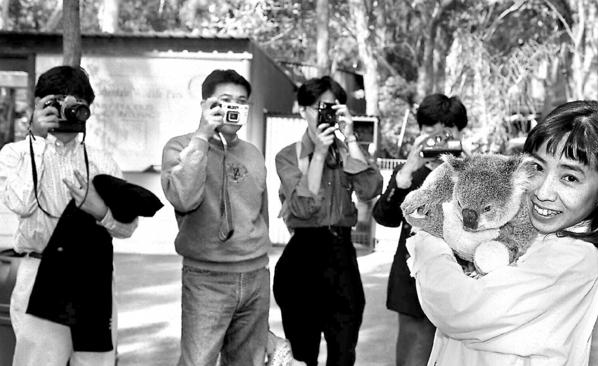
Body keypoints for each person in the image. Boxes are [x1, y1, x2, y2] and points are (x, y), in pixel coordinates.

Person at [406, 100, 598, 365]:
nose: (543, 192)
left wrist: (428, 237)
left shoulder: (573, 258)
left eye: (570, 178)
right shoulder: (525, 228)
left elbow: (457, 308)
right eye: (538, 168)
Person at [0, 65, 138, 366]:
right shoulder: (16, 154)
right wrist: (37, 140)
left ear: (88, 108)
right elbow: (22, 204)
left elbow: (128, 228)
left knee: (94, 362)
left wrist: (100, 211)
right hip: (38, 273)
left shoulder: (102, 161)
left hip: (93, 278)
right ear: (38, 106)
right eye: (55, 102)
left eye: (75, 103)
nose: (65, 110)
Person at [161, 69, 271, 366]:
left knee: (248, 362)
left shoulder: (253, 153)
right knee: (198, 362)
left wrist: (263, 259)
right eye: (224, 100)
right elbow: (184, 198)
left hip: (256, 277)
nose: (234, 106)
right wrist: (201, 136)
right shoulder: (180, 147)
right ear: (205, 105)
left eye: (241, 100)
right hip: (206, 278)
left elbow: (261, 214)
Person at [273, 76, 383, 366]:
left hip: (342, 256)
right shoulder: (289, 156)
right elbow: (301, 208)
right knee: (302, 354)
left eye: (332, 108)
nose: (326, 114)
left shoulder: (348, 151)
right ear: (302, 110)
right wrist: (319, 154)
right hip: (303, 259)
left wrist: (351, 139)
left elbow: (370, 189)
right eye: (319, 107)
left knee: (344, 352)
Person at [371, 93, 468, 366]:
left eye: (447, 132)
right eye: (429, 131)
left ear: (460, 133)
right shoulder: (408, 172)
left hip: (461, 288)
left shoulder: (470, 172)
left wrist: (468, 167)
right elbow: (385, 218)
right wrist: (406, 172)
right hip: (413, 285)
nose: (438, 139)